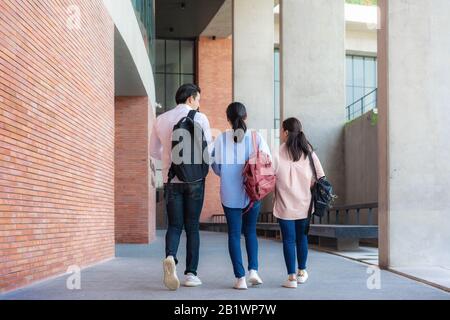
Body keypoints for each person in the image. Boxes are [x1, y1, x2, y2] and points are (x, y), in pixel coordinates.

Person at [150, 84, 212, 290]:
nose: (199, 103)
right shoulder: (200, 118)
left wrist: (170, 158)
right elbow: (207, 150)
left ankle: (170, 256)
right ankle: (191, 274)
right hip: (194, 181)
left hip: (171, 180)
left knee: (175, 225)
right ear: (190, 99)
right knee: (192, 226)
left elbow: (153, 151)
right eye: (198, 99)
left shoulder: (160, 119)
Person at [211, 102, 271, 290]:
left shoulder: (221, 139)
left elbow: (215, 166)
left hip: (229, 195)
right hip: (252, 194)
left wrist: (228, 175)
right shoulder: (256, 137)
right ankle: (253, 270)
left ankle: (240, 279)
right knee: (251, 232)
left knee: (234, 235)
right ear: (245, 117)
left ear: (228, 119)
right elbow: (267, 162)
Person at [273, 117, 325, 289]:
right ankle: (302, 271)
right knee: (302, 238)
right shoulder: (308, 151)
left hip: (284, 205)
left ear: (286, 132)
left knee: (288, 240)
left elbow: (269, 176)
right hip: (304, 204)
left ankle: (292, 278)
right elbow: (320, 177)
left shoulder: (277, 152)